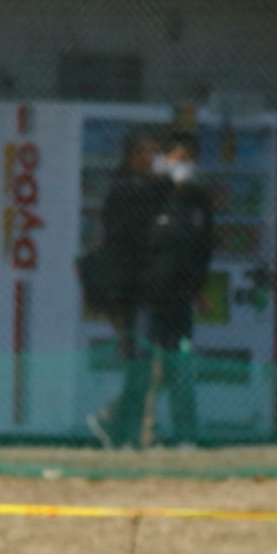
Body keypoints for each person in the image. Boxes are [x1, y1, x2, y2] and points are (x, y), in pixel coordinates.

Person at [83, 128, 167, 450]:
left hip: (151, 291)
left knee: (150, 366)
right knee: (141, 362)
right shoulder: (126, 189)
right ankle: (123, 428)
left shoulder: (149, 190)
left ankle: (120, 425)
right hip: (130, 292)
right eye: (149, 152)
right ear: (134, 156)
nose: (155, 159)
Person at [134, 131, 217, 447]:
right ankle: (142, 432)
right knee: (148, 367)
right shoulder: (148, 198)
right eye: (179, 159)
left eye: (190, 160)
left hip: (181, 300)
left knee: (180, 366)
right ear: (163, 160)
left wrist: (199, 288)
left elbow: (205, 248)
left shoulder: (198, 203)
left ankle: (186, 434)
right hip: (148, 297)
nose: (185, 166)